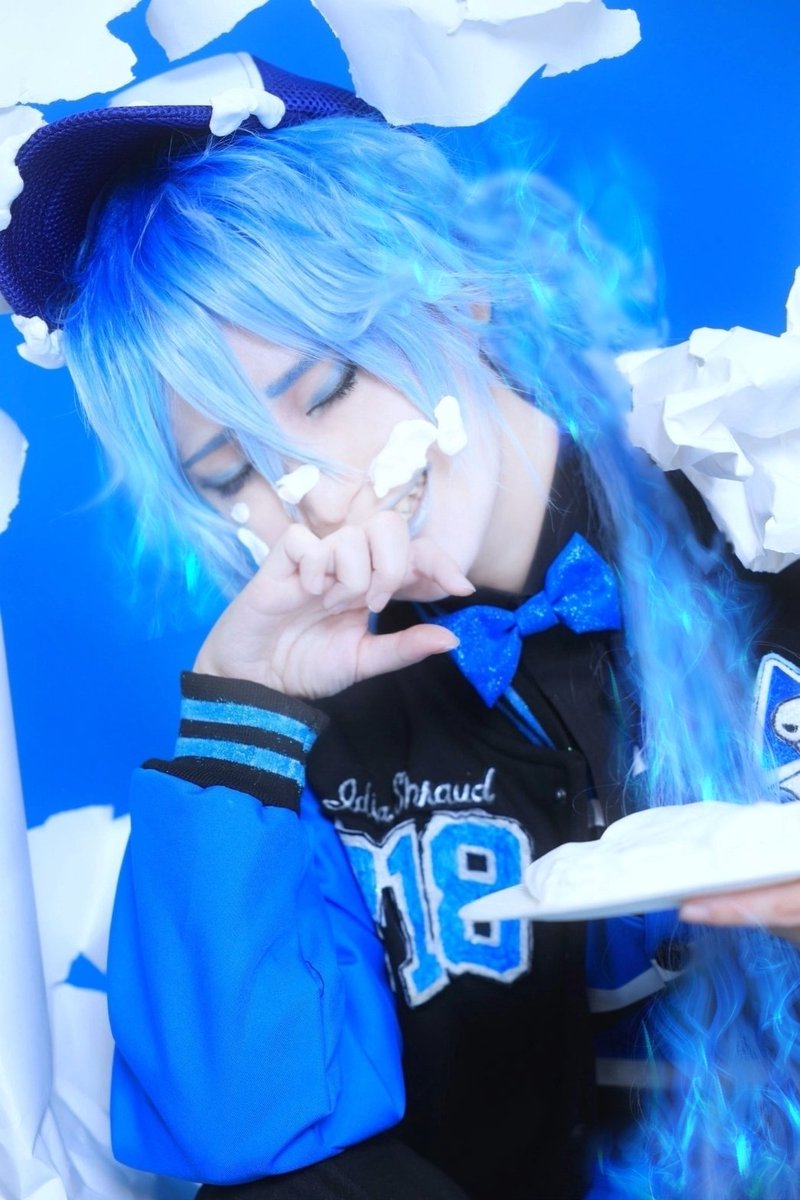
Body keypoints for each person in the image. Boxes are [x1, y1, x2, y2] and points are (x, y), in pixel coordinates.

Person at [2, 51, 800, 1200]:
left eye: (328, 391)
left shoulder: (761, 500)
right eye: (231, 473)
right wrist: (238, 714)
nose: (319, 497)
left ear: (453, 291)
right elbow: (250, 1138)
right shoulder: (305, 729)